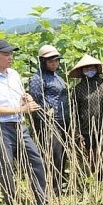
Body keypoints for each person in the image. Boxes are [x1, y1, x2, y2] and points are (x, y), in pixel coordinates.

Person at [0, 39, 47, 205]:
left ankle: (43, 202)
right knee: (6, 167)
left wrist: (27, 98)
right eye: (6, 54)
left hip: (19, 126)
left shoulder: (13, 74)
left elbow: (21, 94)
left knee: (36, 161)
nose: (10, 57)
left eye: (11, 54)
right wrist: (22, 109)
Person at [28, 44, 70, 196]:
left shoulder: (57, 77)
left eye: (56, 61)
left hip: (63, 122)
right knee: (53, 156)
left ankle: (58, 188)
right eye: (51, 61)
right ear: (42, 62)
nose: (54, 64)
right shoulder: (37, 79)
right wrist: (47, 116)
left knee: (62, 156)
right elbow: (36, 101)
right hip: (49, 124)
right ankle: (51, 190)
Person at [70, 55, 103, 176]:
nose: (89, 70)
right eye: (86, 68)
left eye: (91, 67)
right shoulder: (78, 89)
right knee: (93, 158)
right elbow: (75, 112)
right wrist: (78, 134)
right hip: (88, 130)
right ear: (82, 71)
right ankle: (98, 181)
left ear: (97, 69)